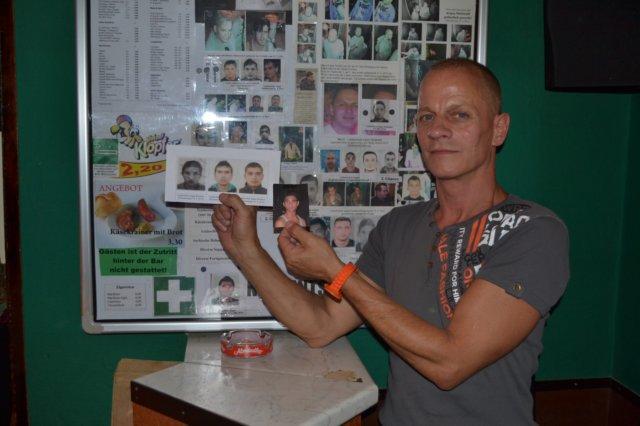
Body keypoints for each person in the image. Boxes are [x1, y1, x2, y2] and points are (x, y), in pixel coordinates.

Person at [212, 58, 569, 424]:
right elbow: (320, 325)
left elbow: (450, 363)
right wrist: (246, 250)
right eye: (427, 117)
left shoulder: (534, 231)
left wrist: (336, 272)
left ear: (498, 129)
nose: (437, 130)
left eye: (459, 115)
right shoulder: (398, 225)